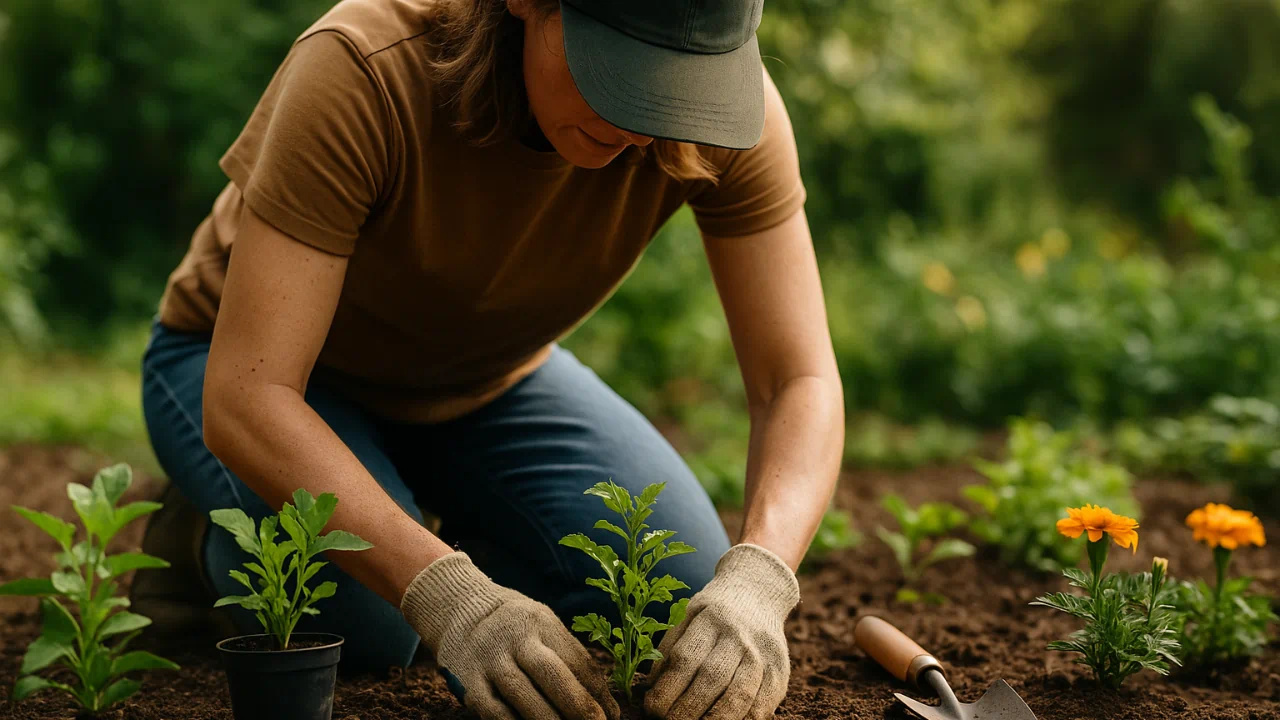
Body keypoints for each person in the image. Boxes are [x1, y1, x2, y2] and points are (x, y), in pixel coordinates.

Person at [131, 0, 844, 717]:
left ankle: (401, 508)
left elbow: (798, 379)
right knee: (359, 626)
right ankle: (201, 537)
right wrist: (451, 596)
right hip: (267, 377)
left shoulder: (719, 113)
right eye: (621, 71)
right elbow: (250, 396)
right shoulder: (364, 68)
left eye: (676, 81)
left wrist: (760, 578)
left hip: (488, 381)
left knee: (673, 591)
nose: (642, 121)